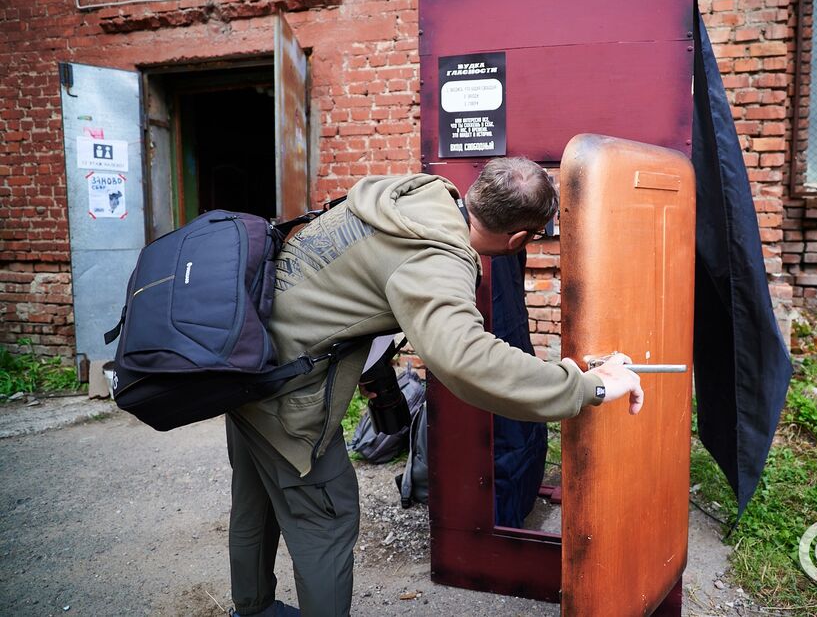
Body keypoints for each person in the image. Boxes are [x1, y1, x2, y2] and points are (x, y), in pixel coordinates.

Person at [225, 156, 644, 616]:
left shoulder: (416, 196)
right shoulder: (439, 257)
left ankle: (251, 607)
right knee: (328, 519)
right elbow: (467, 360)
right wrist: (588, 386)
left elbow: (349, 290)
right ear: (520, 239)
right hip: (284, 395)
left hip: (242, 357)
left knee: (256, 498)